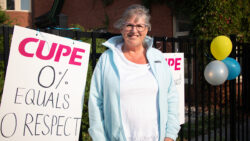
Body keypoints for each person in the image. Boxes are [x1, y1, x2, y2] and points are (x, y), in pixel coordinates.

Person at [88, 4, 180, 141]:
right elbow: (95, 102)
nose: (134, 30)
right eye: (129, 25)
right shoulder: (107, 59)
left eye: (139, 26)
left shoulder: (158, 58)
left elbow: (171, 97)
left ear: (147, 29)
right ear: (121, 28)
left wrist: (170, 136)